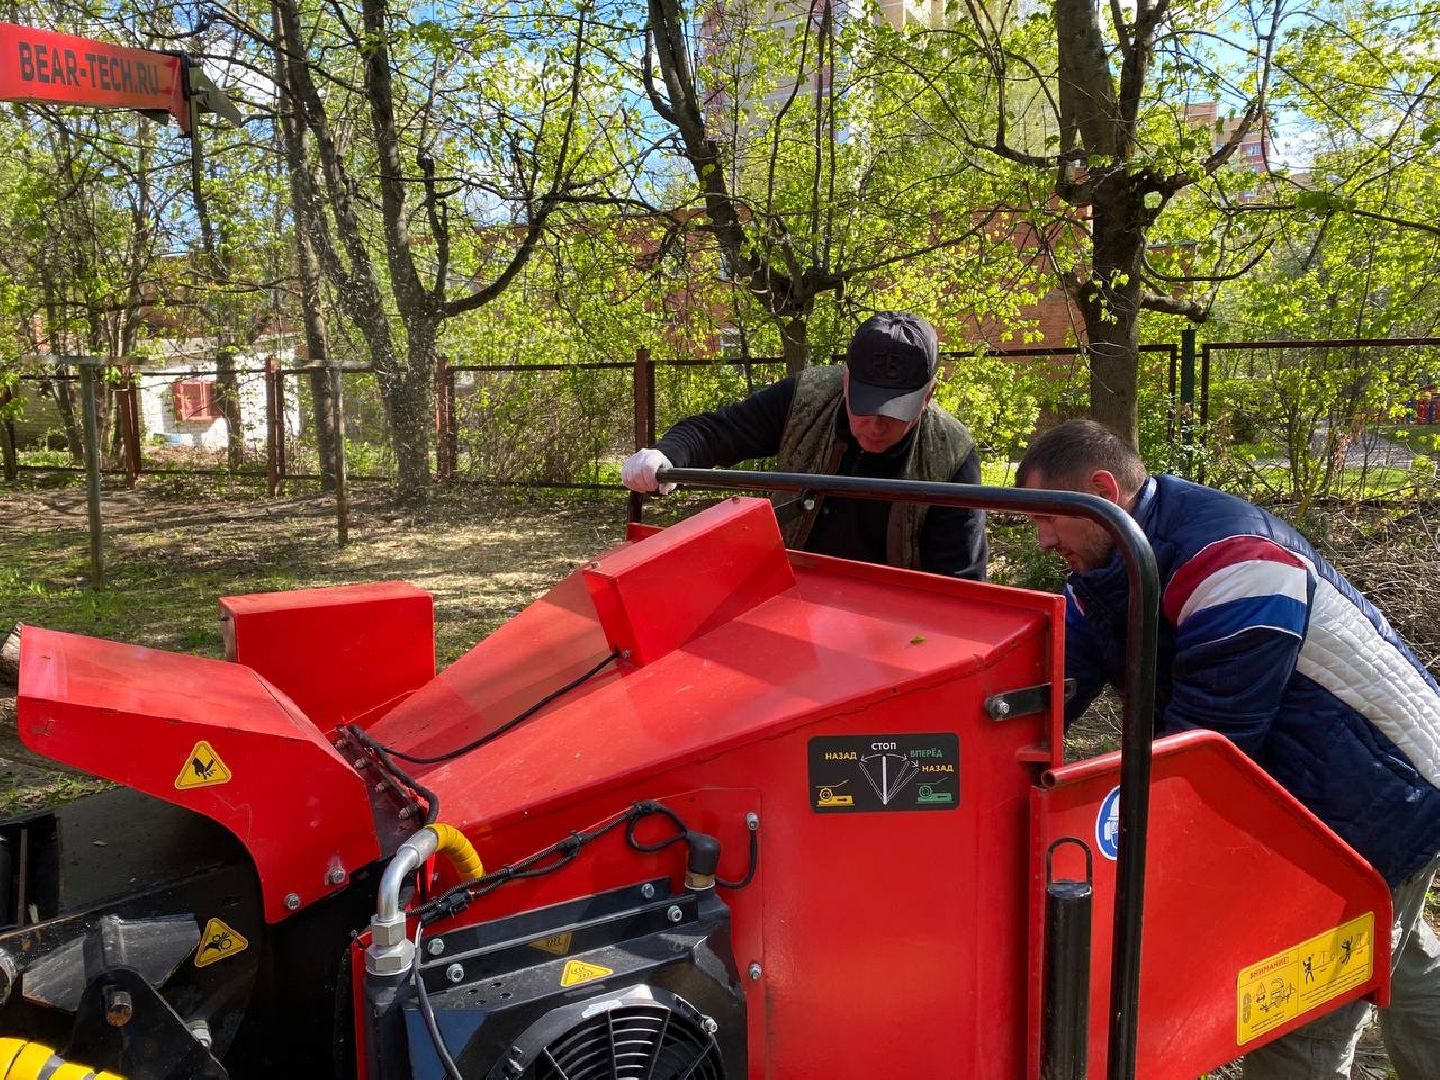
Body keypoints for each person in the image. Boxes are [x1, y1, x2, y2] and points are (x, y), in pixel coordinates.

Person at [1015, 418, 1440, 1079]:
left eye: (1052, 518)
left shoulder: (1236, 567)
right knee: (1405, 960)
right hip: (1326, 787)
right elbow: (1048, 680)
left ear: (1103, 490)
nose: (1042, 539)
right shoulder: (1114, 563)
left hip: (1377, 799)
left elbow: (1202, 763)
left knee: (1294, 1025)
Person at [621, 312, 987, 579]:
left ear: (928, 396)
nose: (876, 424)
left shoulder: (952, 454)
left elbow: (960, 582)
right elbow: (719, 430)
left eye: (896, 410)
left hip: (890, 621)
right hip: (789, 586)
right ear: (845, 382)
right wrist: (666, 454)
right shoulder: (806, 398)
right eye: (865, 403)